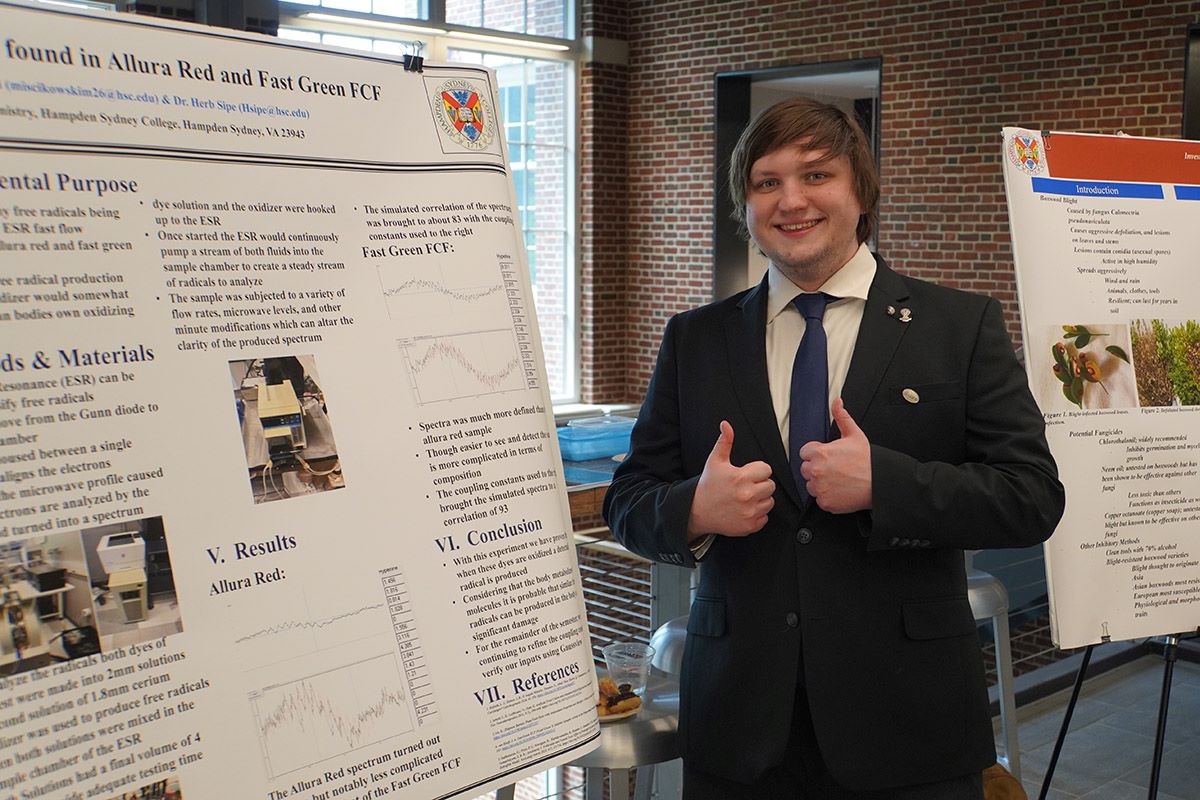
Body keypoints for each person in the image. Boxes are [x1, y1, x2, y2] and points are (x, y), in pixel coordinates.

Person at [602, 97, 1065, 798]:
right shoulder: (696, 339)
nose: (791, 200)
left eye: (816, 175)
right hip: (740, 727)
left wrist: (889, 483)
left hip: (911, 726)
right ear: (746, 205)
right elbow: (628, 501)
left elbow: (1032, 499)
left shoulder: (958, 326)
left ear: (859, 191)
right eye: (766, 182)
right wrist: (694, 508)